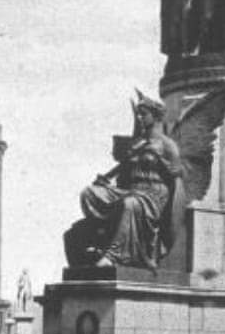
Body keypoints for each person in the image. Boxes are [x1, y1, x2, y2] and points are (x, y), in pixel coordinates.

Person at [64, 94, 183, 272]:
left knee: (130, 204)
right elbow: (122, 169)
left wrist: (171, 215)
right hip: (132, 190)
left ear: (155, 115)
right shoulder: (137, 143)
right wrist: (105, 181)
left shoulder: (168, 146)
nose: (140, 118)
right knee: (89, 193)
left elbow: (177, 178)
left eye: (143, 114)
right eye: (138, 114)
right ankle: (104, 235)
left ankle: (113, 255)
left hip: (152, 196)